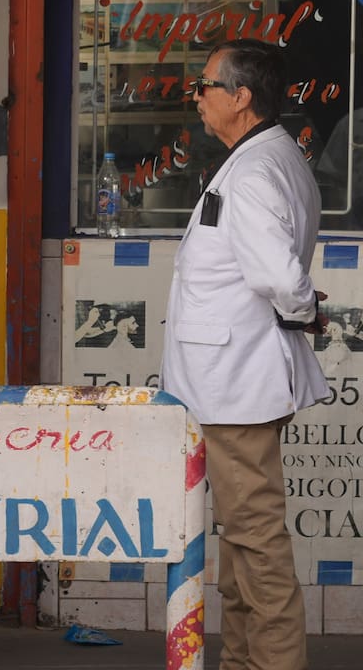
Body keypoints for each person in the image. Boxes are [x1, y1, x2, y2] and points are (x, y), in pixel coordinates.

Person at [161, 38, 329, 670]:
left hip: (238, 387)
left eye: (204, 86)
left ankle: (273, 663)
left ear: (241, 97)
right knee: (240, 543)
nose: (196, 97)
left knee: (255, 543)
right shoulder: (265, 156)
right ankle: (241, 660)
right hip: (230, 383)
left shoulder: (256, 171)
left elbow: (281, 278)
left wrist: (309, 309)